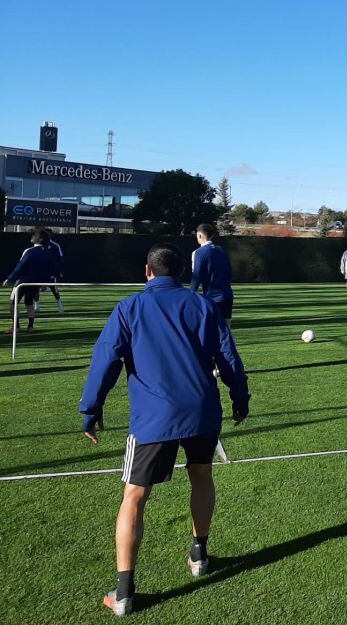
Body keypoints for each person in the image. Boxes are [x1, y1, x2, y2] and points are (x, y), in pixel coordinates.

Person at [79, 243, 250, 616]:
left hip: (154, 418)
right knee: (202, 477)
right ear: (181, 274)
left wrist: (91, 408)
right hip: (202, 412)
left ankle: (123, 593)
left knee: (134, 497)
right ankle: (199, 555)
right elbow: (229, 357)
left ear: (147, 272)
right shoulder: (203, 306)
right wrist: (241, 397)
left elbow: (105, 359)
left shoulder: (130, 308)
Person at [2, 229, 53, 334]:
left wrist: (10, 278)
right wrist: (45, 283)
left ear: (40, 239)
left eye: (35, 235)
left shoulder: (29, 251)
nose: (32, 236)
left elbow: (21, 266)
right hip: (36, 282)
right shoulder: (47, 252)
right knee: (29, 303)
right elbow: (48, 269)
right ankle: (30, 327)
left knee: (13, 303)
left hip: (23, 281)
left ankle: (16, 326)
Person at [190, 223, 234, 324]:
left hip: (212, 298)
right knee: (226, 332)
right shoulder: (221, 250)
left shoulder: (199, 252)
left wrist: (191, 294)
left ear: (200, 235)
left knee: (210, 331)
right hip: (228, 296)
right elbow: (229, 272)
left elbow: (196, 276)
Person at [41, 229, 65, 312]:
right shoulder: (39, 245)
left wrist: (58, 271)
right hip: (39, 272)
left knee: (54, 289)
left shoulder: (55, 245)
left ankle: (60, 305)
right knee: (35, 289)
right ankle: (36, 306)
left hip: (51, 272)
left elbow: (60, 259)